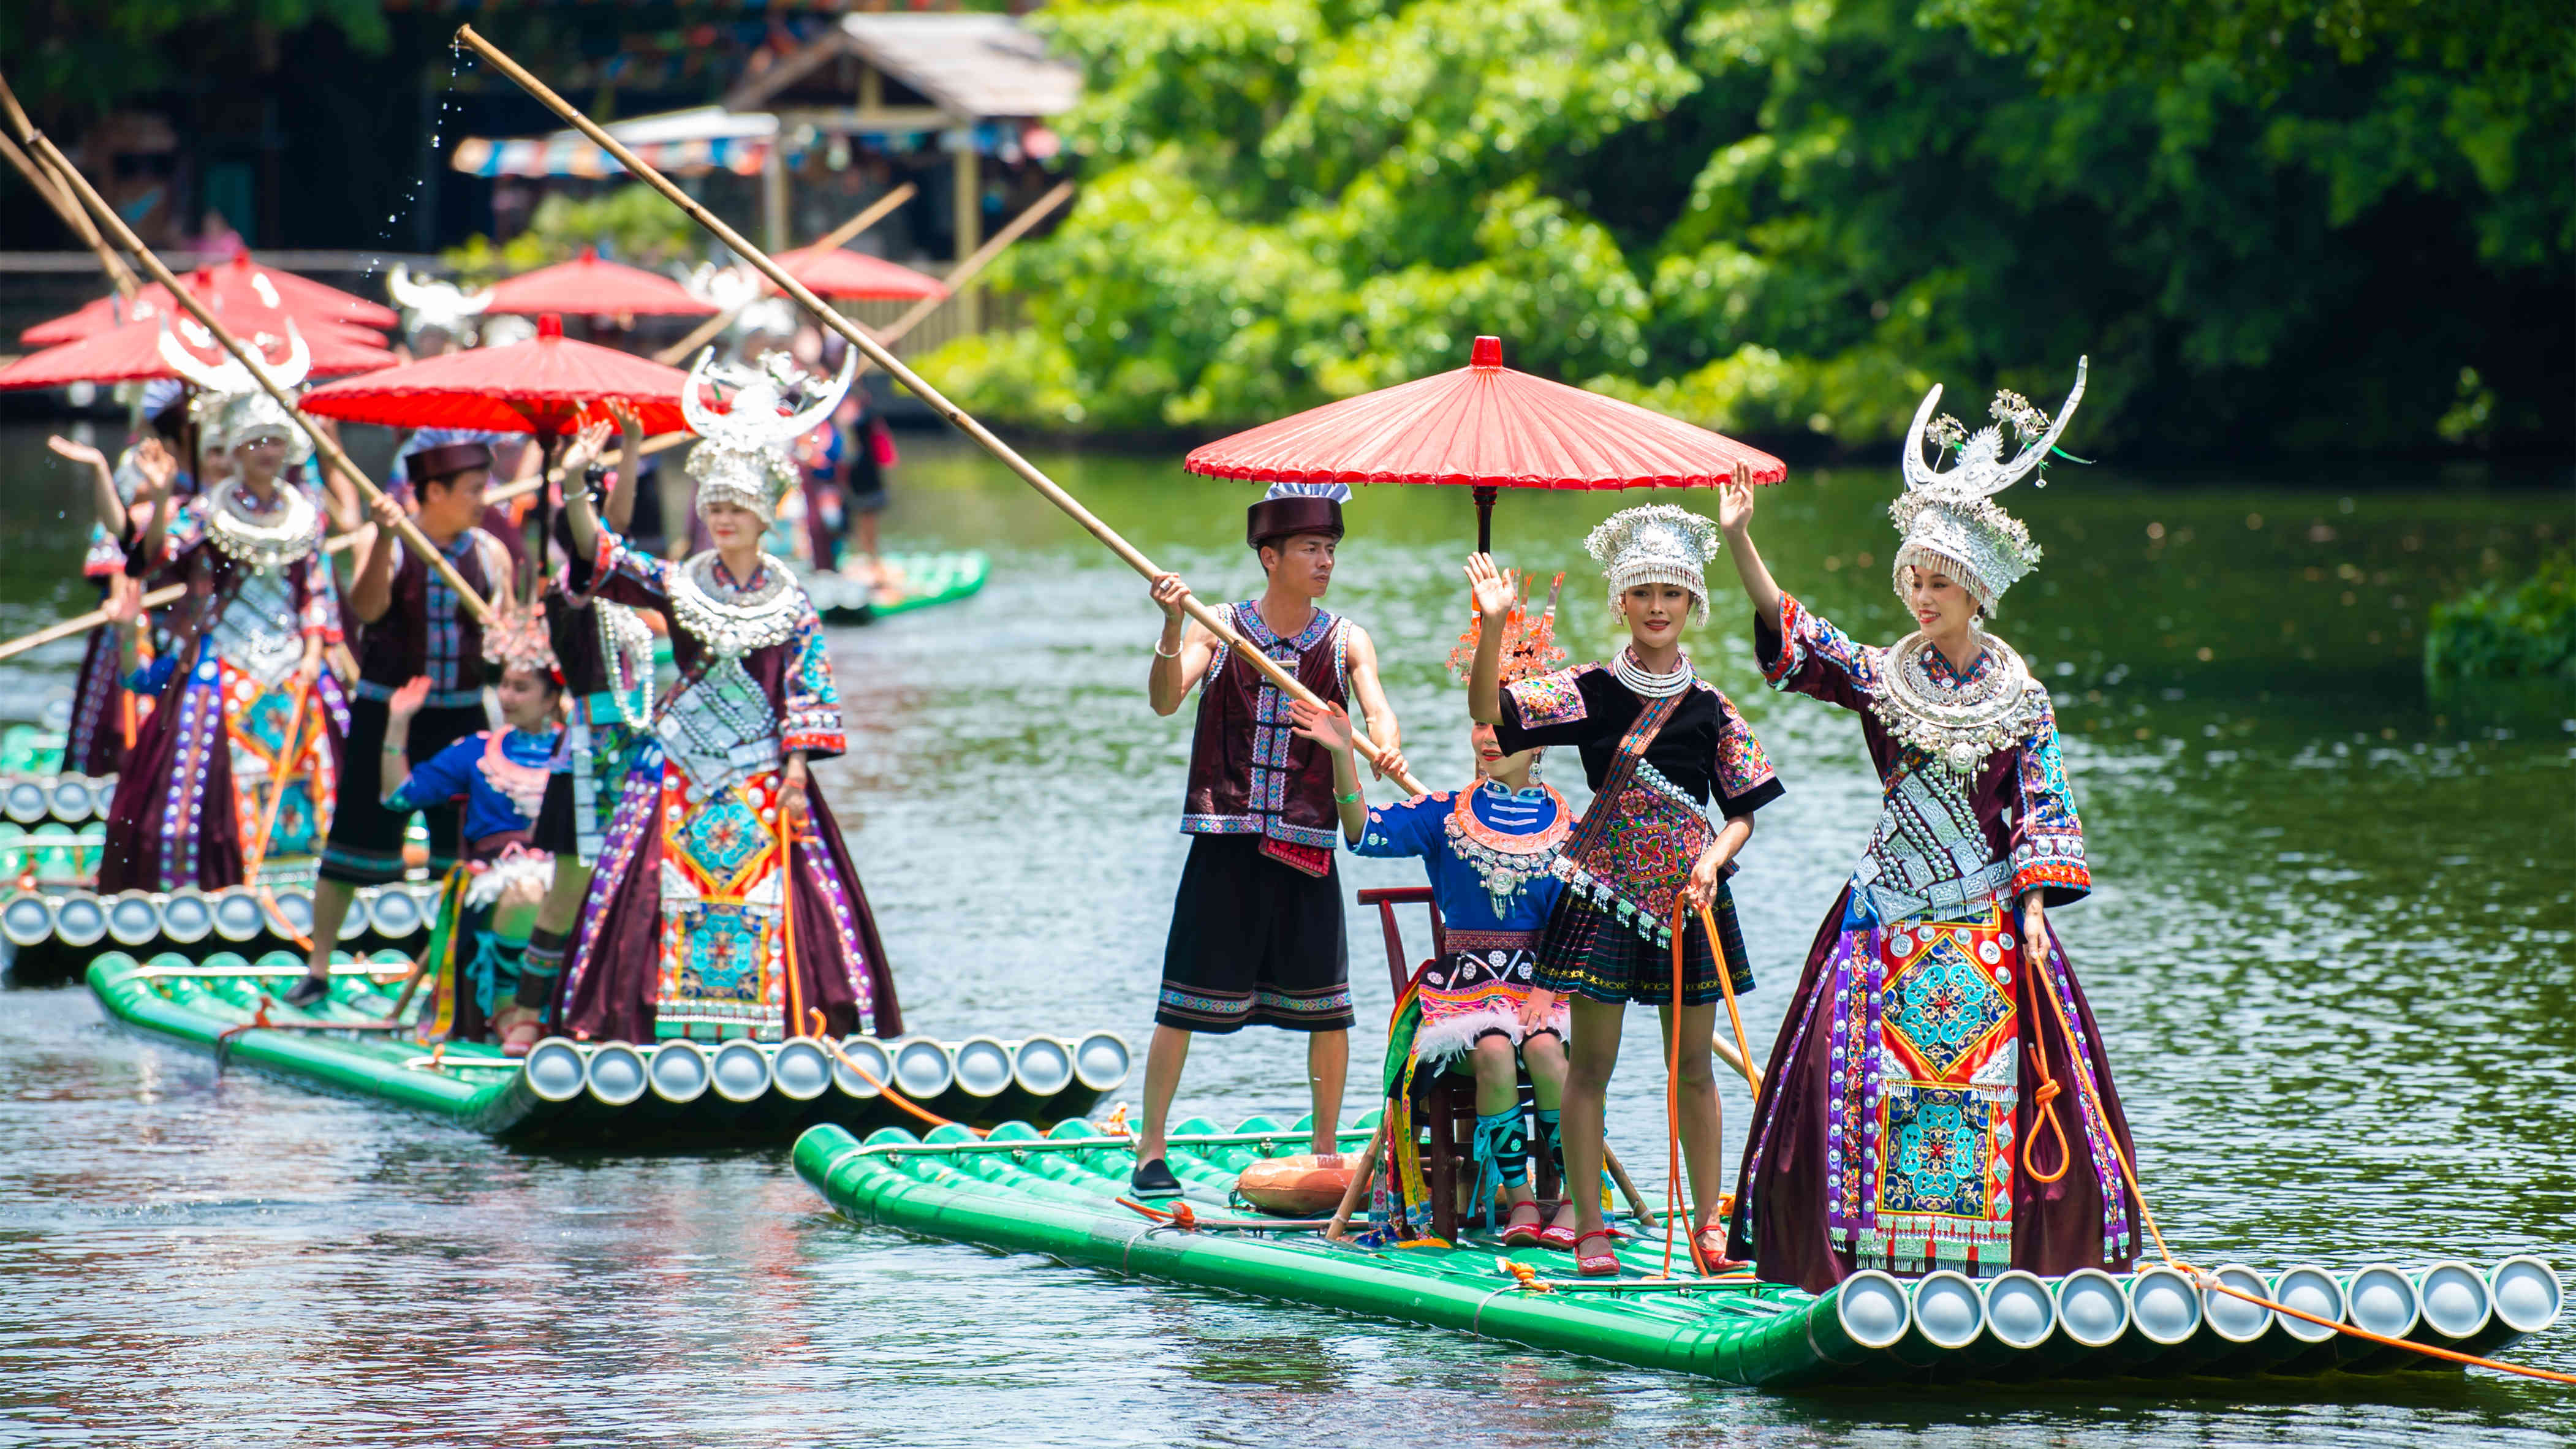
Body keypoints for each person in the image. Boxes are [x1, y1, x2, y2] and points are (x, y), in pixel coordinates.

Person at [1716, 362, 2138, 1291]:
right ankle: (1861, 1264)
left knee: (2009, 1091)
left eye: (1940, 583)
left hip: (1987, 920)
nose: (1922, 596)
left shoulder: (2022, 699)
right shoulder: (1883, 676)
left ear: (1977, 591)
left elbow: (2044, 804)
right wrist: (1745, 543)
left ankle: (2015, 1267)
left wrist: (2035, 905)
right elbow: (1796, 633)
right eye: (1915, 579)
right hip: (1887, 918)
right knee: (1853, 1087)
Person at [1465, 485, 1785, 1276]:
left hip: (1690, 901)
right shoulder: (1589, 691)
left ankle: (1709, 1227)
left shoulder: (1712, 708)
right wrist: (1496, 623)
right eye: (1641, 592)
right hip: (1603, 900)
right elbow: (1489, 711)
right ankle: (1592, 1228)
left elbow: (1743, 809)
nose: (1656, 607)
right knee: (1590, 1068)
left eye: (1671, 593)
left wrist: (1713, 860)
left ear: (1692, 603)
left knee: (1695, 1069)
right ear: (1620, 601)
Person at [550, 347, 899, 1044]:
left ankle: (780, 1033)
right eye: (715, 506)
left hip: (767, 777)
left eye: (738, 506)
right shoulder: (679, 582)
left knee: (784, 902)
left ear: (766, 513)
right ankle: (651, 1032)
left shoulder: (792, 600)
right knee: (652, 890)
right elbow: (604, 558)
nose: (725, 517)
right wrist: (573, 488)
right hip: (679, 769)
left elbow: (806, 689)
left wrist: (798, 774)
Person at [1132, 481, 1406, 1197]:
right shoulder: (1215, 625)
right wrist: (1168, 627)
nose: (1324, 562)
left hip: (1306, 842)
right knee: (1180, 1000)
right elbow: (1165, 701)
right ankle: (1150, 1147)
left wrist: (1376, 744)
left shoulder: (1347, 639)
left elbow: (1380, 710)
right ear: (1268, 555)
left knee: (1329, 1004)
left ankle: (1322, 1155)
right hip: (1224, 839)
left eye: (1330, 550)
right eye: (1312, 549)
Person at [1292, 572, 1575, 1246]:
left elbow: (1575, 922)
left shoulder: (1569, 826)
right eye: (1481, 722)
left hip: (1542, 986)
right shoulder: (1443, 812)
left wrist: (1545, 988)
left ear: (1539, 743)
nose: (1488, 737)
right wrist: (1343, 761)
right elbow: (1363, 836)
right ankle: (1520, 1201)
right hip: (1464, 990)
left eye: (1505, 728)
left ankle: (1566, 1198)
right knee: (1495, 1053)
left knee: (1549, 1055)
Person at [94, 391, 346, 896]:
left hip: (294, 661)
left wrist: (317, 643)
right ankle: (217, 881)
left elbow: (316, 587)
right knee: (200, 779)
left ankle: (308, 884)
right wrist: (162, 497)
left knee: (320, 763)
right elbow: (149, 554)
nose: (268, 452)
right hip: (221, 660)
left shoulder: (306, 513)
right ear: (234, 448)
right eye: (256, 442)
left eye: (276, 441)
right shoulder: (208, 511)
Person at [290, 441, 514, 1007]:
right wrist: (386, 536)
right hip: (387, 709)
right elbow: (366, 610)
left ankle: (456, 972)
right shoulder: (385, 540)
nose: (482, 501)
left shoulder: (491, 553)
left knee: (462, 855)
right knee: (352, 842)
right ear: (433, 493)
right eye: (472, 490)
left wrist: (503, 634)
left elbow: (506, 636)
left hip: (461, 716)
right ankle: (319, 967)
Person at [516, 409, 657, 1032]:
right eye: (587, 517)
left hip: (643, 752)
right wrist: (574, 482)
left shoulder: (631, 587)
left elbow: (616, 529)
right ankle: (525, 1013)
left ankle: (611, 1010)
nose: (605, 530)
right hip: (589, 756)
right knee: (570, 887)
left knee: (636, 886)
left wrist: (632, 449)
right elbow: (597, 539)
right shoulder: (568, 589)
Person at [377, 611, 562, 1050]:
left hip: (563, 872)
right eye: (505, 685)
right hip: (492, 883)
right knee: (528, 892)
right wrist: (398, 722)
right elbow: (399, 795)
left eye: (522, 688)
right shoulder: (478, 750)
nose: (507, 696)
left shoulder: (579, 750)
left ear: (553, 697)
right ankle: (507, 1006)